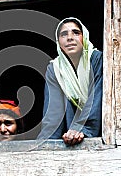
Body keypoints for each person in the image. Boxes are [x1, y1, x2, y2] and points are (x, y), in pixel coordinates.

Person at [37, 17, 103, 146]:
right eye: (64, 34)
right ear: (58, 42)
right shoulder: (55, 69)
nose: (70, 38)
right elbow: (53, 111)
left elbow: (97, 98)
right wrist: (44, 143)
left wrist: (82, 129)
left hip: (97, 131)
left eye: (76, 32)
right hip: (70, 136)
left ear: (84, 37)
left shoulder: (97, 59)